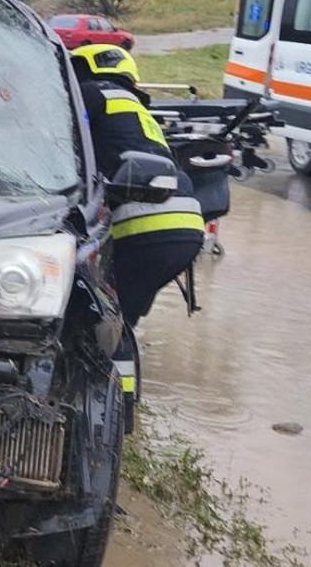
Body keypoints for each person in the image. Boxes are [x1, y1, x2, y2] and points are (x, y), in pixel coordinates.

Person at [70, 44, 205, 397]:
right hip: (185, 224)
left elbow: (61, 132)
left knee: (110, 318)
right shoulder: (137, 110)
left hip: (147, 224)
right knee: (124, 317)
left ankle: (117, 404)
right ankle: (118, 399)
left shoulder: (92, 94)